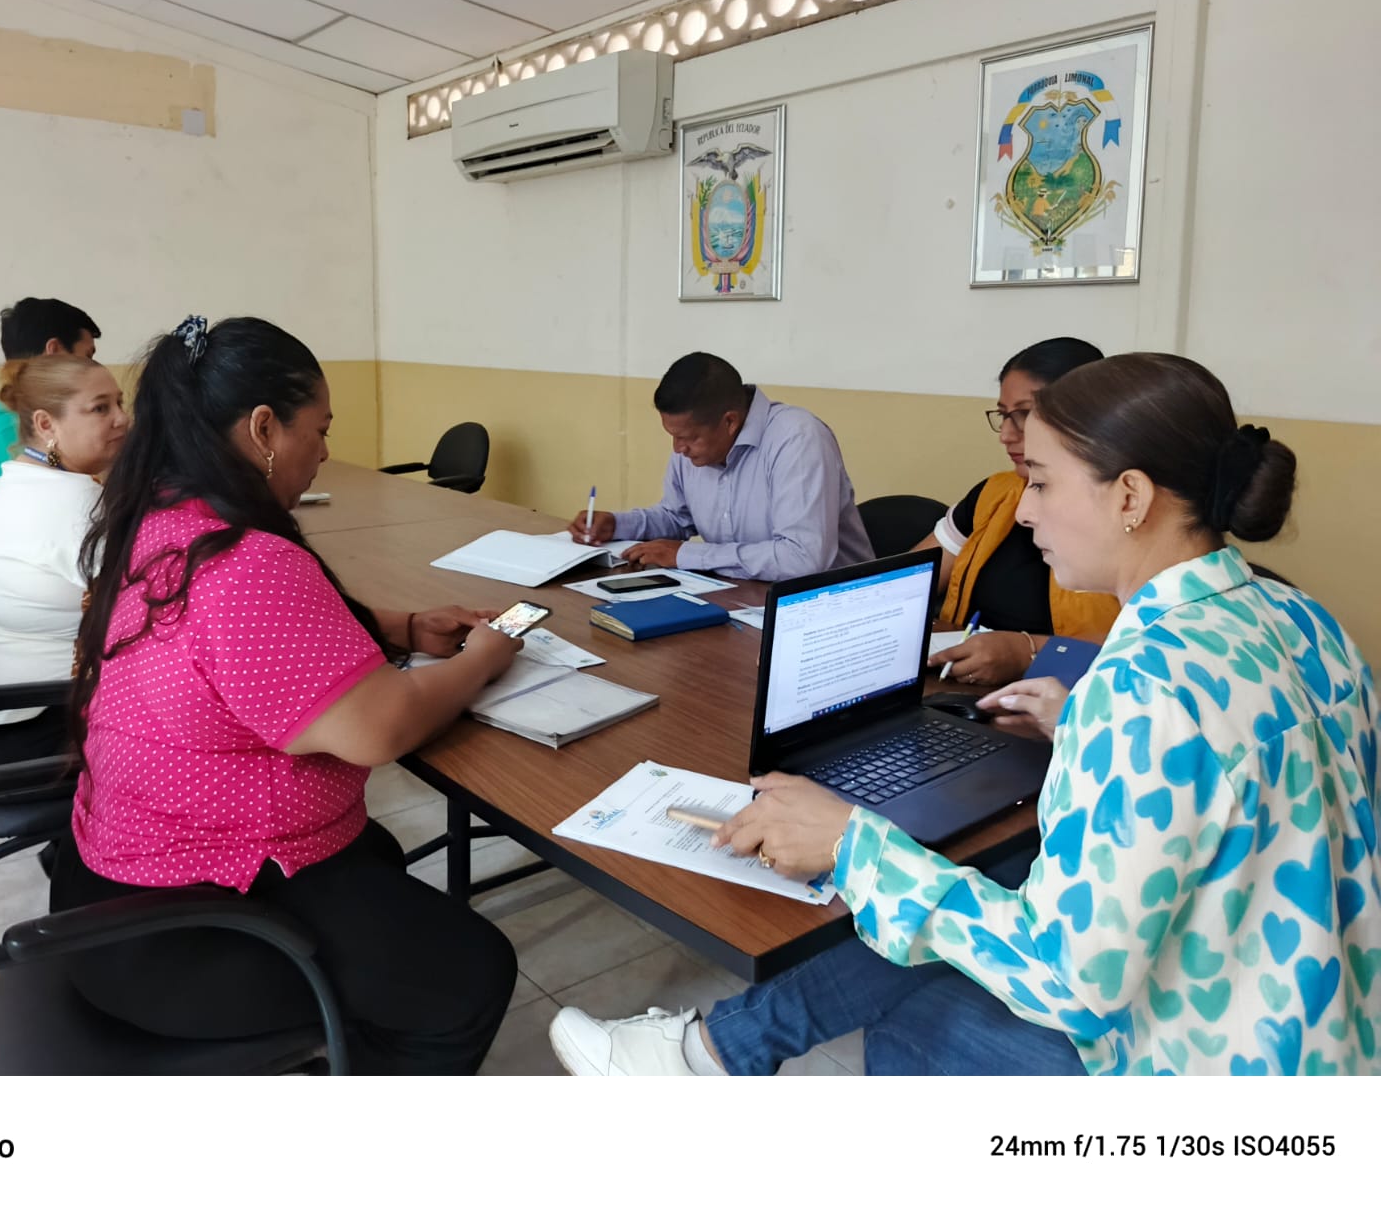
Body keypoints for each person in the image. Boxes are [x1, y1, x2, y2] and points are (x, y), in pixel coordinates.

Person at [550, 353, 1380, 1076]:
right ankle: (706, 1056)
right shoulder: (1300, 617)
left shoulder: (1146, 687)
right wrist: (1080, 723)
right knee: (990, 880)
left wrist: (851, 842)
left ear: (1130, 495)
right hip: (1327, 1029)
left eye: (1042, 482)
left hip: (1204, 1067)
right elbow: (1239, 779)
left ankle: (704, 1056)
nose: (1024, 509)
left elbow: (1067, 980)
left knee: (919, 1012)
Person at [53, 316, 521, 1074]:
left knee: (377, 854)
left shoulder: (160, 517)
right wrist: (484, 659)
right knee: (473, 972)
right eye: (321, 429)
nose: (326, 451)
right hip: (186, 924)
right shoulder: (246, 562)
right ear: (264, 427)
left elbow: (233, 645)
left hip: (117, 878)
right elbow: (381, 727)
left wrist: (400, 627)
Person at [0, 353, 128, 760]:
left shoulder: (23, 478)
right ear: (46, 425)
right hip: (31, 731)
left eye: (120, 403)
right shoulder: (71, 505)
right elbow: (159, 599)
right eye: (100, 408)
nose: (122, 418)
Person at [918, 337, 1121, 688]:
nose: (1006, 435)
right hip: (959, 690)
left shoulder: (1123, 512)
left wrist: (1027, 652)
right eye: (1003, 415)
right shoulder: (996, 493)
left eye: (1025, 415)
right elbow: (915, 578)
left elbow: (1147, 647)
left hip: (1070, 700)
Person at [568, 352, 872, 581]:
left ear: (729, 422)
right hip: (741, 599)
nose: (678, 449)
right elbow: (676, 517)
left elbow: (802, 558)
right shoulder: (694, 447)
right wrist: (617, 525)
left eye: (688, 438)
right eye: (673, 436)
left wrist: (686, 555)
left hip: (831, 609)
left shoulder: (797, 439)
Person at [0, 297, 101, 539]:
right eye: (87, 357)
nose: (92, 368)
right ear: (54, 351)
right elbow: (59, 521)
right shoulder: (12, 432)